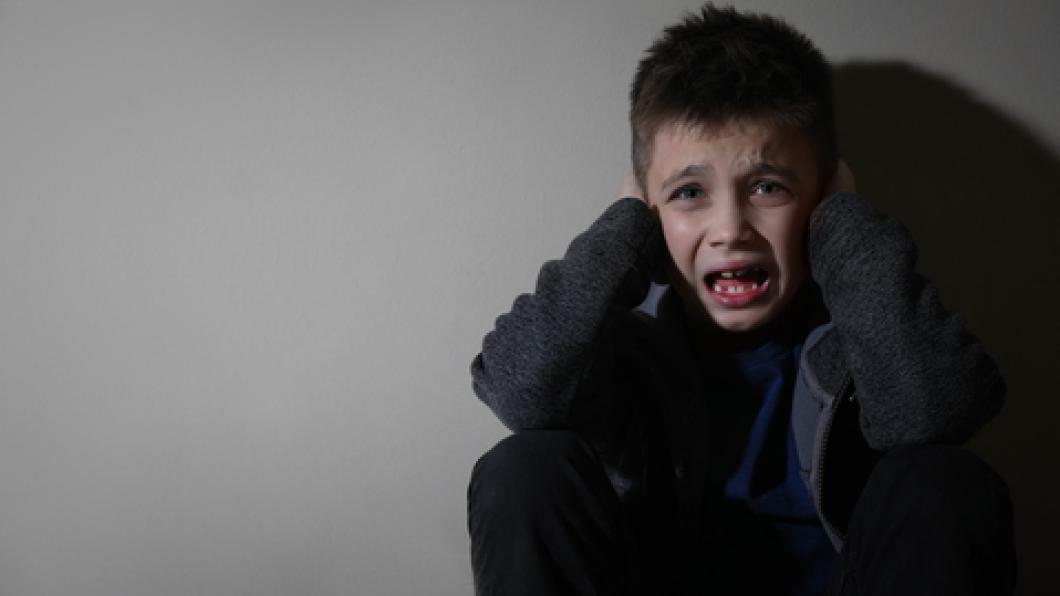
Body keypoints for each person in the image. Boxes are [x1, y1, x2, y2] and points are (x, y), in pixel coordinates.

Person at [467, 4, 1016, 595]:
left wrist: (844, 228)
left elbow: (938, 413)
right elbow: (519, 392)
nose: (731, 227)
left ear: (822, 198)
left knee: (943, 478)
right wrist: (621, 230)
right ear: (648, 216)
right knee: (523, 468)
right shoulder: (615, 350)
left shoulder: (873, 342)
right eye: (689, 192)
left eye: (767, 186)